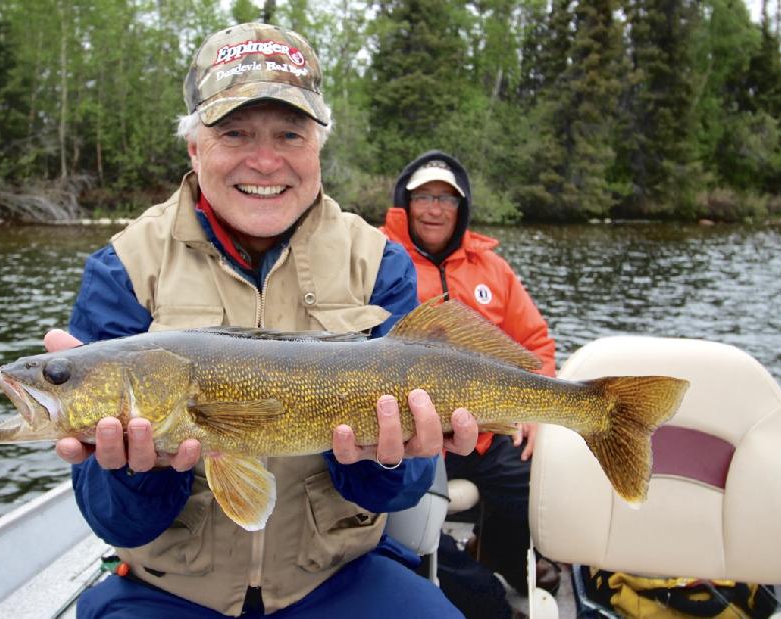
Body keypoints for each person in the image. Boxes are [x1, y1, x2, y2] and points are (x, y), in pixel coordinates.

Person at [45, 25, 480, 618]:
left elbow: (399, 491)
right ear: (196, 149)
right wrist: (137, 473)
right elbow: (115, 518)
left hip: (336, 579)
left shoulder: (379, 264)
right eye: (235, 133)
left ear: (317, 146)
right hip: (169, 589)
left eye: (289, 134)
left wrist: (391, 458)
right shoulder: (123, 269)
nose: (266, 160)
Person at [381, 151, 561, 611]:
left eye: (446, 198)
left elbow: (535, 344)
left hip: (483, 429)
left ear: (461, 208)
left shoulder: (493, 269)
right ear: (406, 202)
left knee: (536, 483)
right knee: (399, 510)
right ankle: (473, 585)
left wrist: (534, 416)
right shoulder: (377, 257)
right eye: (424, 197)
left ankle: (499, 552)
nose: (435, 209)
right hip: (410, 432)